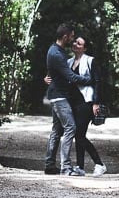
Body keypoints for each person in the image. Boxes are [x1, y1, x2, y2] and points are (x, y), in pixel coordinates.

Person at [44, 24, 91, 176]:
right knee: (71, 127)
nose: (72, 40)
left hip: (57, 94)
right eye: (71, 36)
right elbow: (70, 76)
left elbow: (55, 72)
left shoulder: (56, 50)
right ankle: (66, 167)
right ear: (65, 36)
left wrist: (48, 77)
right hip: (59, 96)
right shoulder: (57, 53)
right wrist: (88, 80)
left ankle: (50, 164)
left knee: (57, 131)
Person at [68, 36, 107, 177]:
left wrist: (96, 102)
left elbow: (97, 81)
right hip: (73, 103)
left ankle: (99, 164)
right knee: (78, 135)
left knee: (79, 135)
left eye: (79, 43)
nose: (75, 44)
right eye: (75, 42)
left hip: (87, 102)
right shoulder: (69, 62)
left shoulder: (90, 61)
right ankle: (80, 167)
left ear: (84, 48)